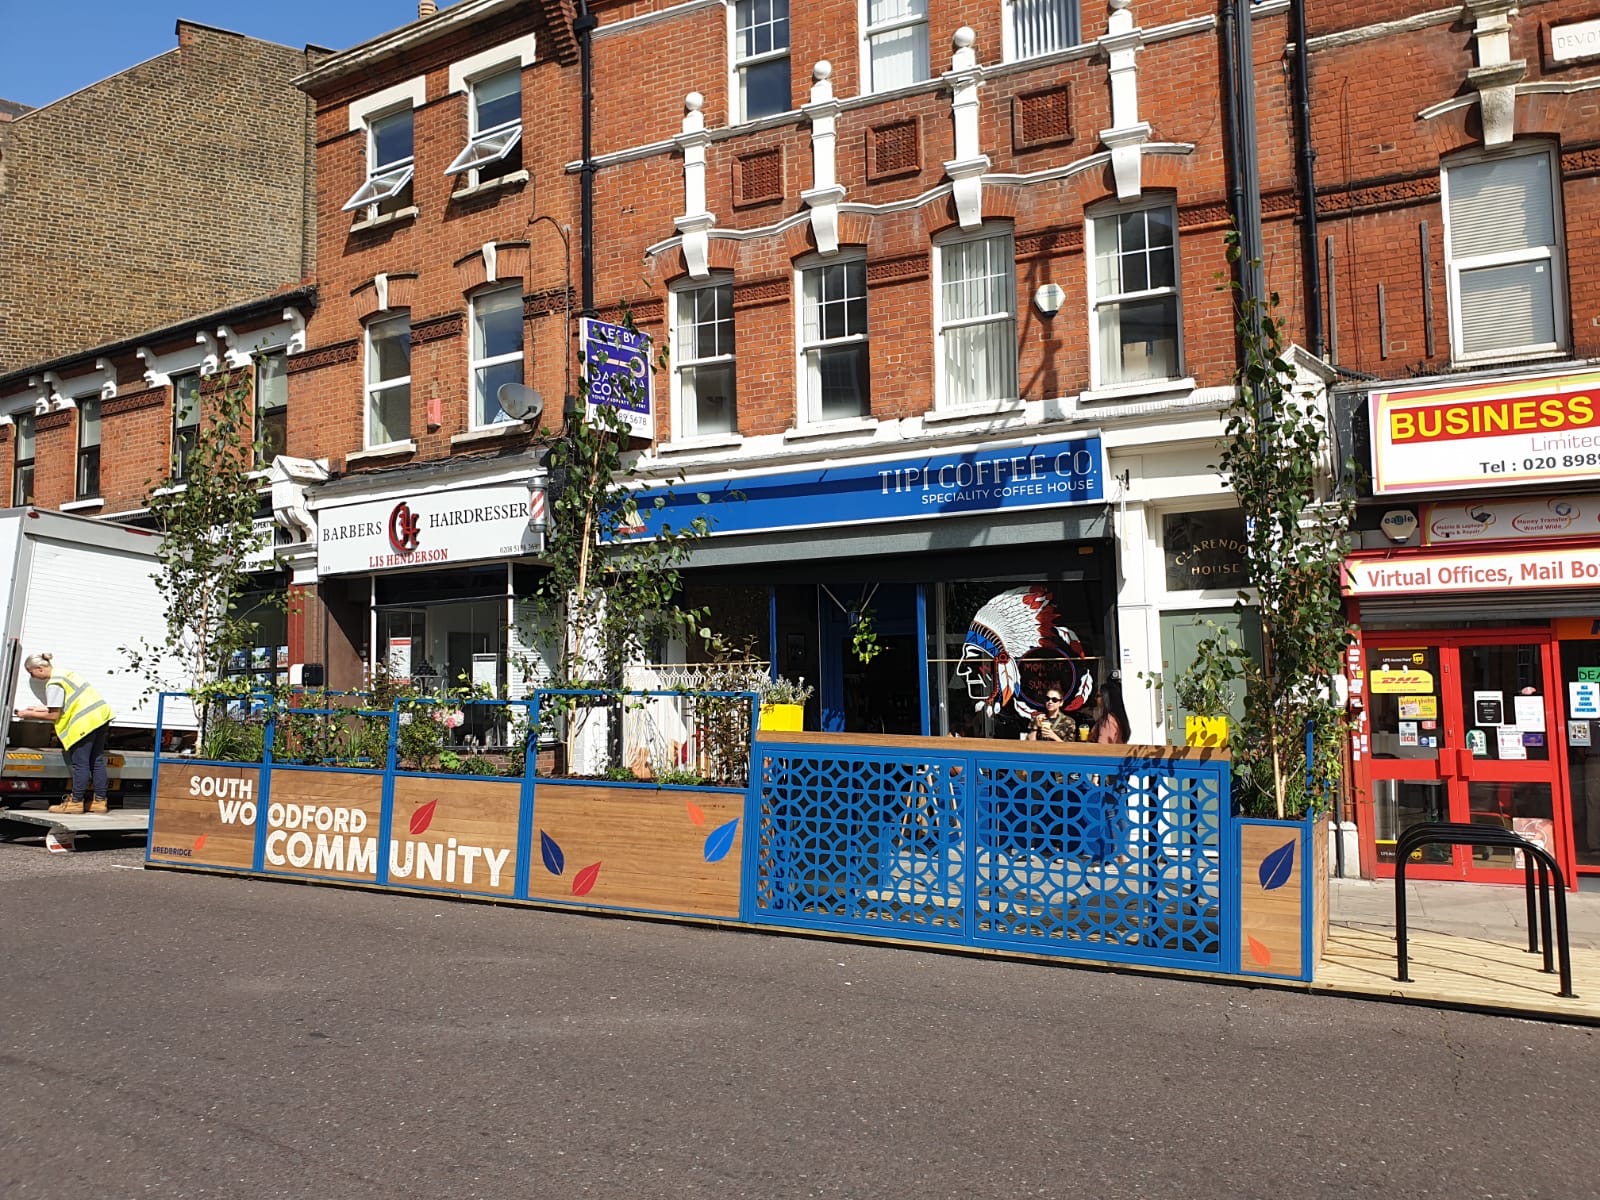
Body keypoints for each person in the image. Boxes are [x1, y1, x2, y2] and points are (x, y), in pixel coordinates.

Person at [15, 651, 115, 815]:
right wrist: (38, 708)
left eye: (31, 672)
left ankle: (75, 802)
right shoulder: (65, 674)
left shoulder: (53, 683)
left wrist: (28, 714)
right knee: (96, 761)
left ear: (39, 668)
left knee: (80, 764)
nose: (32, 677)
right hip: (100, 717)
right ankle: (100, 801)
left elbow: (54, 714)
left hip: (84, 724)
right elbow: (68, 703)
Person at [1091, 676, 1131, 744]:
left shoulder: (1109, 720)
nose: (1095, 699)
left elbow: (1103, 745)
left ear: (1106, 698)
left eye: (1098, 696)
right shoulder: (1114, 718)